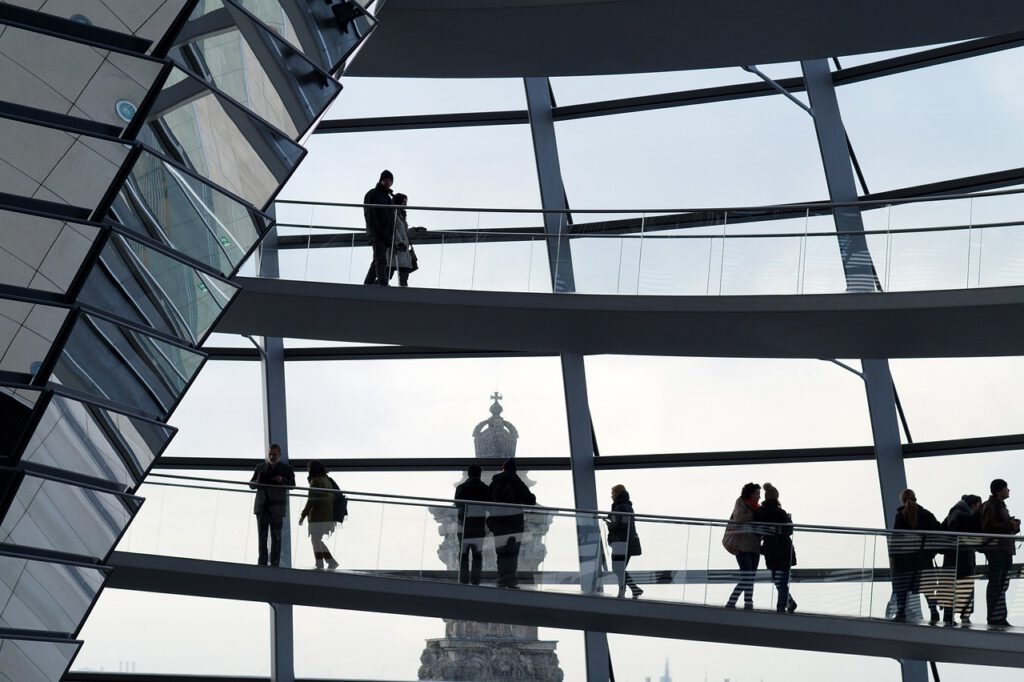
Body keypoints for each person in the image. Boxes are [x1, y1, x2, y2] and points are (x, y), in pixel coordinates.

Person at [890, 489, 941, 622]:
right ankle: (934, 612)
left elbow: (896, 539)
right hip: (923, 558)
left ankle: (901, 612)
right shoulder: (926, 514)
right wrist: (931, 552)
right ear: (915, 498)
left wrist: (893, 557)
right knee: (927, 587)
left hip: (905, 559)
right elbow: (938, 532)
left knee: (902, 586)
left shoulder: (900, 516)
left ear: (902, 500)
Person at [487, 458, 536, 588]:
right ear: (515, 469)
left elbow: (486, 501)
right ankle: (511, 580)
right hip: (514, 523)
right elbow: (530, 501)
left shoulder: (495, 482)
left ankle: (501, 579)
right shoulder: (517, 482)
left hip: (498, 522)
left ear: (504, 468)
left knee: (501, 552)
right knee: (512, 553)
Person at [980, 478, 1020, 627]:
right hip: (996, 550)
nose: (1008, 490)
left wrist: (1013, 526)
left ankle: (1000, 617)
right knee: (996, 584)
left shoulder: (1000, 506)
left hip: (1004, 550)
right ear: (999, 491)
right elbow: (988, 528)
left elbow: (998, 527)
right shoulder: (989, 506)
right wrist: (1009, 524)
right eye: (1006, 488)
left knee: (1002, 584)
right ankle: (994, 618)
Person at [249, 444, 295, 567]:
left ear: (279, 454)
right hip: (262, 506)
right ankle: (262, 563)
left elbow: (292, 486)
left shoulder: (287, 469)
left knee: (276, 537)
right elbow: (251, 484)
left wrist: (282, 480)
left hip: (276, 507)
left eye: (274, 454)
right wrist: (257, 481)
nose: (271, 456)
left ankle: (275, 564)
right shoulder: (260, 467)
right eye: (270, 454)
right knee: (262, 537)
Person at [939, 494, 983, 625]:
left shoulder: (953, 513)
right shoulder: (964, 515)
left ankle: (949, 615)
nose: (979, 508)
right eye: (978, 505)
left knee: (951, 586)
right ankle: (964, 616)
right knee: (966, 586)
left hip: (952, 557)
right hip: (964, 556)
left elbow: (942, 529)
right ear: (973, 504)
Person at [756, 483, 797, 613]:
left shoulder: (760, 512)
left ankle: (789, 602)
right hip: (784, 548)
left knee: (777, 580)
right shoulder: (780, 512)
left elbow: (758, 530)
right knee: (782, 580)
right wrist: (789, 520)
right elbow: (788, 530)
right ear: (776, 497)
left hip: (770, 549)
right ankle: (782, 608)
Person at [724, 482, 762, 609]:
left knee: (750, 576)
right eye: (757, 493)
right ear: (750, 493)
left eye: (759, 494)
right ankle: (733, 602)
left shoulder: (757, 507)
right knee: (747, 576)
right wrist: (755, 515)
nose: (759, 496)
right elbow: (739, 518)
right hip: (742, 546)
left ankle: (747, 602)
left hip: (755, 546)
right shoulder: (741, 502)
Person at [298, 460, 340, 570]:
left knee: (315, 540)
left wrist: (303, 515)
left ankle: (321, 563)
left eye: (308, 469)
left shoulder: (315, 481)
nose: (308, 472)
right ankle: (329, 562)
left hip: (318, 516)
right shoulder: (327, 480)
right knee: (317, 540)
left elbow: (311, 501)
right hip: (327, 516)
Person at [454, 464, 491, 585]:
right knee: (477, 555)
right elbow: (489, 506)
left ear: (469, 474)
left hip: (463, 525)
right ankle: (475, 580)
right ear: (479, 474)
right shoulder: (485, 488)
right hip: (478, 525)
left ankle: (463, 579)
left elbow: (457, 504)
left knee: (463, 553)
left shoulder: (461, 488)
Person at [606, 484, 643, 598]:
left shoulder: (620, 506)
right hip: (629, 541)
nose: (611, 496)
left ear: (617, 493)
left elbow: (619, 526)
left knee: (618, 569)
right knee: (620, 569)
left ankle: (625, 591)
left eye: (612, 493)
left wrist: (609, 524)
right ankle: (633, 589)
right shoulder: (626, 506)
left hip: (621, 542)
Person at [363, 170, 395, 286]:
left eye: (390, 181)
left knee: (378, 259)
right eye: (386, 179)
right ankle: (383, 285)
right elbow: (370, 215)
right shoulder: (373, 194)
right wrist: (376, 232)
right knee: (380, 259)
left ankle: (367, 284)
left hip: (385, 235)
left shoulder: (388, 198)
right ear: (381, 180)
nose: (388, 182)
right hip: (377, 234)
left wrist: (390, 236)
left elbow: (391, 220)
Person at [387, 193, 417, 287]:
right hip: (396, 246)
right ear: (398, 201)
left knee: (402, 269)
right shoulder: (393, 212)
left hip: (402, 247)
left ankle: (403, 286)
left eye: (406, 202)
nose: (405, 204)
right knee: (390, 269)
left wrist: (415, 229)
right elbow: (392, 229)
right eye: (403, 202)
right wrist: (399, 242)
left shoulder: (401, 215)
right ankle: (379, 285)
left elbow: (404, 232)